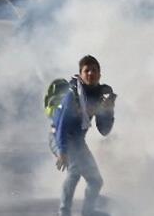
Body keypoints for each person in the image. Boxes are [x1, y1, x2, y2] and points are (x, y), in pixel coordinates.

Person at [51, 55, 116, 216]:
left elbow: (104, 130)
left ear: (99, 75)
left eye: (94, 70)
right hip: (60, 137)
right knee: (74, 172)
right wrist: (62, 151)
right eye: (87, 71)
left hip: (78, 141)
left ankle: (88, 212)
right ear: (80, 74)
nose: (90, 74)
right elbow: (62, 126)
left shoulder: (99, 96)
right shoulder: (73, 95)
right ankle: (63, 212)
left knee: (95, 181)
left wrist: (109, 110)